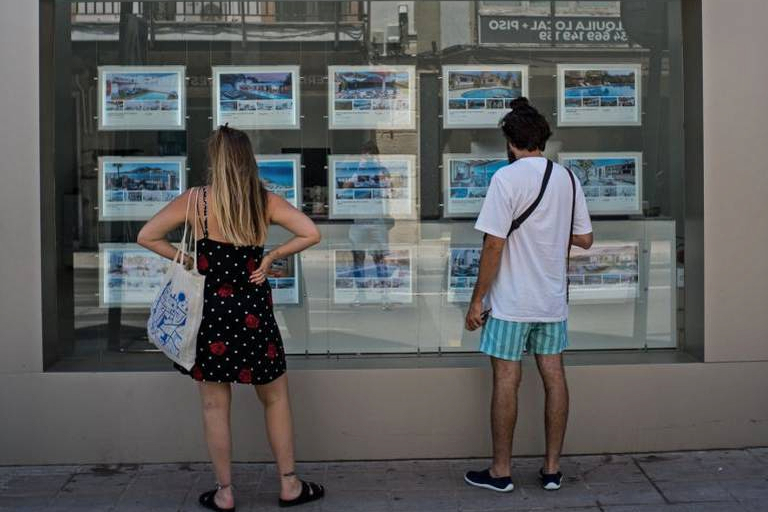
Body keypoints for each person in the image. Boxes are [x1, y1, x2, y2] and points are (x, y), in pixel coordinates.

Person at [138, 125, 324, 511]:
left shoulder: (196, 202)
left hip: (210, 314)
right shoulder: (264, 201)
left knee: (213, 406)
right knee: (275, 399)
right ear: (247, 160)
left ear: (216, 160)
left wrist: (188, 260)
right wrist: (271, 257)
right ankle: (289, 485)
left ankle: (225, 492)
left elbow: (147, 235)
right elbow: (310, 232)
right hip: (254, 310)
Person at [463, 98, 593, 493]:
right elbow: (585, 239)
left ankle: (501, 472)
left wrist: (476, 300)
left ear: (510, 142)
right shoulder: (567, 178)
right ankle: (552, 469)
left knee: (506, 379)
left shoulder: (506, 178)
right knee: (554, 377)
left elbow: (493, 246)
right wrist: (548, 231)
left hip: (511, 302)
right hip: (552, 301)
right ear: (543, 139)